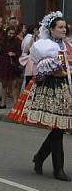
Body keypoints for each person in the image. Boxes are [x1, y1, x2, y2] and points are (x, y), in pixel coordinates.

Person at [9, 12, 71, 180]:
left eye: (65, 27)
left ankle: (40, 157)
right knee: (58, 128)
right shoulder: (46, 46)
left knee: (59, 128)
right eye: (60, 27)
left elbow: (65, 68)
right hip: (51, 89)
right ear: (51, 29)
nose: (64, 29)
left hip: (64, 89)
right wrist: (62, 71)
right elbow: (51, 70)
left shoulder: (66, 45)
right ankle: (58, 169)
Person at [0, 25, 22, 108]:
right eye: (10, 33)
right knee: (4, 84)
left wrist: (14, 54)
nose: (11, 35)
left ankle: (16, 104)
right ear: (7, 32)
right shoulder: (2, 40)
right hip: (3, 63)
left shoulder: (17, 41)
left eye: (13, 33)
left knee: (14, 85)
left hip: (12, 64)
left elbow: (20, 52)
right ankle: (3, 103)